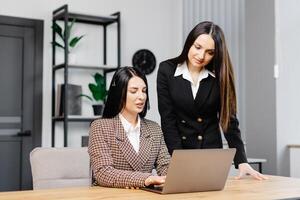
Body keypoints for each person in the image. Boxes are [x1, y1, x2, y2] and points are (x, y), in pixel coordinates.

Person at [157, 21, 267, 180]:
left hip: (210, 153)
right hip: (180, 151)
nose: (201, 56)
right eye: (197, 47)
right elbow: (168, 120)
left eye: (210, 52)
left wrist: (241, 160)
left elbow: (229, 120)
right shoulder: (166, 70)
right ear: (189, 42)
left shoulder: (220, 76)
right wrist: (178, 160)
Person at [88, 66, 170, 188]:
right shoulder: (100, 127)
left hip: (145, 196)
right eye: (133, 91)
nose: (141, 97)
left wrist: (174, 177)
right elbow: (103, 173)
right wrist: (146, 179)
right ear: (119, 94)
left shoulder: (154, 129)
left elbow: (165, 165)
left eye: (144, 90)